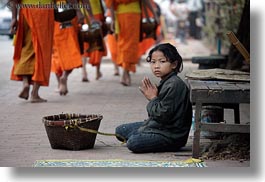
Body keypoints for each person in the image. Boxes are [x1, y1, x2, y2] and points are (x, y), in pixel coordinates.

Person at [115, 43, 192, 153]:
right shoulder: (166, 81)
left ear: (174, 64)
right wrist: (154, 98)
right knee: (120, 131)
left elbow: (162, 116)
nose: (156, 66)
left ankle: (143, 136)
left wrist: (153, 98)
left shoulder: (174, 85)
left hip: (171, 135)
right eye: (153, 62)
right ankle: (143, 134)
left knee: (133, 143)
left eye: (162, 61)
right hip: (159, 126)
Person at [9, 0, 54, 103]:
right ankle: (35, 93)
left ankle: (25, 83)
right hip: (45, 11)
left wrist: (13, 18)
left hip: (27, 11)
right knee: (42, 53)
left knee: (27, 48)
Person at [51, 9, 83, 95]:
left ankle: (59, 85)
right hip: (68, 18)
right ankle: (64, 76)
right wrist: (79, 11)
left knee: (57, 54)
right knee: (71, 52)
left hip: (54, 19)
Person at [81, 0, 107, 82]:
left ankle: (84, 72)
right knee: (98, 42)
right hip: (95, 15)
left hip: (84, 14)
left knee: (85, 43)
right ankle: (97, 71)